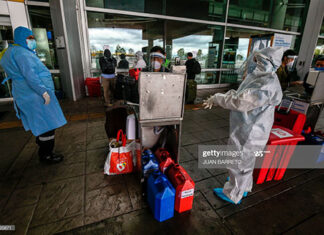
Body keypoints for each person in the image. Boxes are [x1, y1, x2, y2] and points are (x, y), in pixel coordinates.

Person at [203, 47, 284, 204]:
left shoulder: (266, 85)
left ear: (267, 62)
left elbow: (240, 101)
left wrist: (218, 98)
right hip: (247, 126)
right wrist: (222, 96)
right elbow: (240, 93)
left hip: (251, 130)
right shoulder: (259, 77)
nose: (254, 63)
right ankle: (243, 187)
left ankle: (233, 194)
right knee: (245, 161)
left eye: (257, 60)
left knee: (239, 161)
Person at [0, 26, 66, 164]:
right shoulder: (22, 54)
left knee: (41, 123)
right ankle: (46, 155)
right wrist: (43, 92)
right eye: (29, 38)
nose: (33, 40)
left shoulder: (10, 52)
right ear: (21, 39)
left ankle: (42, 144)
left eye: (32, 38)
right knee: (47, 125)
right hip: (35, 94)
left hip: (25, 92)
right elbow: (30, 76)